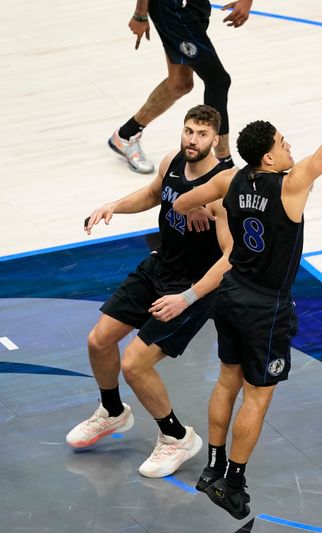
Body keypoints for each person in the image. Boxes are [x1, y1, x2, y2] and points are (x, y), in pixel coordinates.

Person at [173, 47, 322, 519]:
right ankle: (233, 482)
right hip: (266, 306)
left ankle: (212, 468)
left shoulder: (231, 180)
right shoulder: (292, 185)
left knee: (226, 381)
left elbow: (179, 202)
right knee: (258, 394)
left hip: (230, 292)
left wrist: (204, 209)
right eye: (283, 141)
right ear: (270, 155)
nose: (290, 145)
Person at [67, 105, 234, 480]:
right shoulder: (173, 160)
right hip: (159, 266)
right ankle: (112, 411)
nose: (193, 139)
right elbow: (153, 193)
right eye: (189, 131)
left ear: (215, 139)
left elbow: (231, 258)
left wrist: (188, 297)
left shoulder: (223, 187)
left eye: (202, 134)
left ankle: (176, 436)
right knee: (99, 340)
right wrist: (114, 206)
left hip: (190, 287)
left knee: (135, 365)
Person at [108, 0, 253, 174]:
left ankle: (126, 134)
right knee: (218, 80)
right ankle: (223, 166)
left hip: (195, 6)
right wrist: (140, 14)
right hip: (172, 9)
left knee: (179, 83)